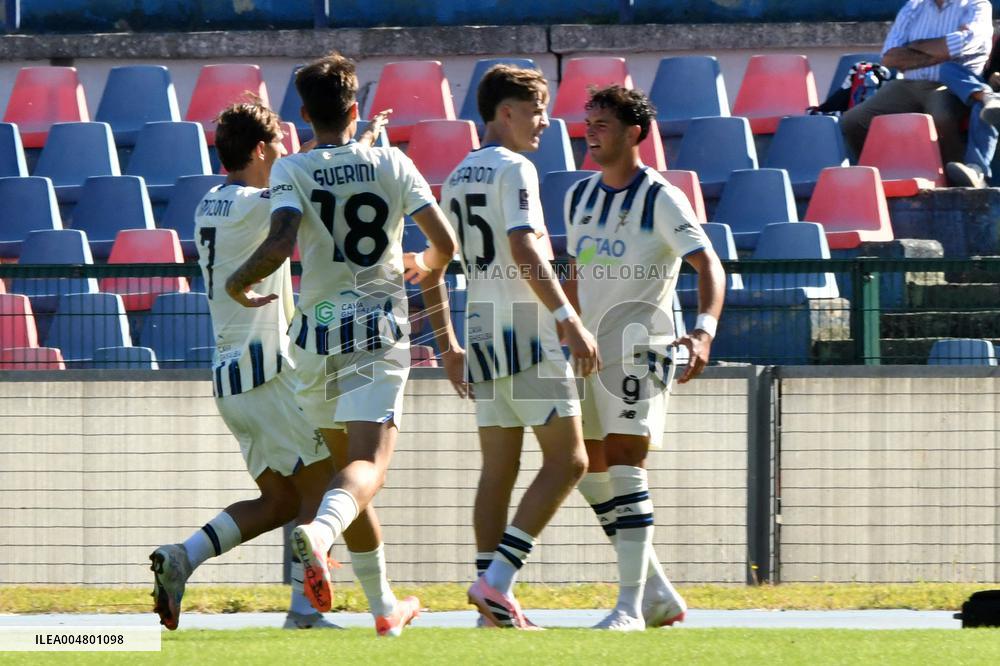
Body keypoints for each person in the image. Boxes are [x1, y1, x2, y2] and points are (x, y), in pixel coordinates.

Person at [150, 101, 407, 634]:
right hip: (269, 370)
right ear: (263, 150)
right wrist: (360, 149)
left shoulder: (208, 206)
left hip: (228, 379)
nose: (289, 155)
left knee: (280, 500)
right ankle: (312, 613)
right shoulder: (257, 204)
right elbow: (315, 187)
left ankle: (184, 555)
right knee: (331, 491)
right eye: (281, 147)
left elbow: (304, 177)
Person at [223, 52, 458, 637]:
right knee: (367, 466)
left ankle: (384, 608)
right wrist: (423, 265)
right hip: (374, 328)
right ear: (356, 109)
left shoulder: (292, 170)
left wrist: (237, 280)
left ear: (304, 115)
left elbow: (280, 242)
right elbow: (446, 244)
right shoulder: (394, 162)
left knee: (343, 477)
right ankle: (321, 537)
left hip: (316, 333)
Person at [418, 64, 598, 629]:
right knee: (569, 460)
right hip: (525, 329)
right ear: (505, 112)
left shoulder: (456, 175)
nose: (545, 120)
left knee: (498, 470)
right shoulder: (515, 167)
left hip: (480, 333)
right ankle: (495, 584)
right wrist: (567, 317)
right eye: (536, 108)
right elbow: (523, 245)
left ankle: (489, 608)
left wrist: (448, 345)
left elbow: (431, 269)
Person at [563, 85, 725, 631]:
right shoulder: (578, 195)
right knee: (584, 468)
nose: (590, 131)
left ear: (634, 133)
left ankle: (628, 607)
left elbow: (709, 266)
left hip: (640, 346)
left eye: (602, 123)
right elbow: (573, 269)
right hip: (586, 349)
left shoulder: (661, 197)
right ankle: (655, 590)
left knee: (627, 464)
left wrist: (702, 332)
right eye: (588, 121)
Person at [839, 0, 998, 187]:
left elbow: (965, 43)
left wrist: (914, 46)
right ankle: (879, 174)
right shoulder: (913, 7)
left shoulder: (976, 5)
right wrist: (939, 50)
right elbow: (889, 57)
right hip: (906, 84)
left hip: (950, 84)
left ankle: (957, 179)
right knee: (853, 121)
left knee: (942, 116)